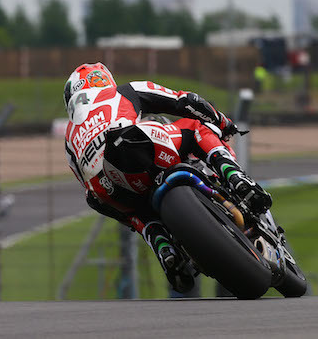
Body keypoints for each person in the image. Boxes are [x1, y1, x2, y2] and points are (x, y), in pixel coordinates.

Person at [63, 62, 272, 293]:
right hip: (131, 145)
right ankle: (237, 178)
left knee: (135, 215)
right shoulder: (122, 92)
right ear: (102, 80)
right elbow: (185, 101)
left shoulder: (69, 138)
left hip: (105, 187)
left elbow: (84, 181)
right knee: (195, 127)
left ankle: (164, 249)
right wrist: (222, 122)